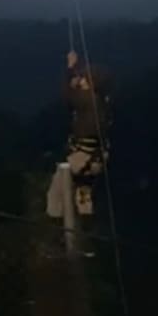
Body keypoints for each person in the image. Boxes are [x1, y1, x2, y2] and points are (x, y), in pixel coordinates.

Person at [63, 51, 112, 217]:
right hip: (96, 158)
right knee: (84, 192)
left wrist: (70, 67)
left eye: (85, 78)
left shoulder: (88, 100)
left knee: (66, 191)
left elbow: (69, 96)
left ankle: (72, 226)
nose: (81, 80)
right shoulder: (101, 101)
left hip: (82, 156)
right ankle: (84, 221)